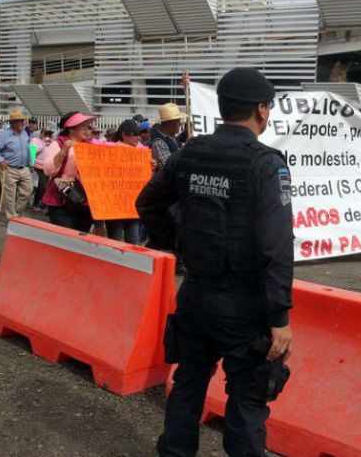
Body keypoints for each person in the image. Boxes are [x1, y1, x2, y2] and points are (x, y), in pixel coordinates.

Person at [136, 67, 294, 457]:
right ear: (261, 109)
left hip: (195, 295)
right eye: (268, 107)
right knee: (247, 400)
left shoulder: (190, 153)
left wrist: (173, 246)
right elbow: (276, 246)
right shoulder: (266, 163)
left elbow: (148, 202)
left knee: (188, 384)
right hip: (244, 307)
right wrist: (280, 319)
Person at [41, 111, 97, 232]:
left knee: (82, 236)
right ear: (71, 129)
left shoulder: (92, 146)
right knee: (66, 237)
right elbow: (49, 171)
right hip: (62, 201)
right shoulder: (58, 144)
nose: (88, 130)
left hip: (84, 202)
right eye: (84, 127)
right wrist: (64, 150)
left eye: (89, 127)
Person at [104, 119, 150, 244]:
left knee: (133, 242)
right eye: (134, 134)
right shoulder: (109, 149)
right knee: (115, 241)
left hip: (132, 205)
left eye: (138, 134)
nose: (138, 137)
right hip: (115, 206)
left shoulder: (141, 152)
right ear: (124, 135)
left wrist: (149, 166)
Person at [0, 110, 34, 220]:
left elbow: (28, 149)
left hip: (24, 168)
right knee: (10, 196)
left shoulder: (24, 133)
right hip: (9, 168)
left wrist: (30, 163)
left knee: (28, 191)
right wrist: (1, 160)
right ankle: (12, 217)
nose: (22, 123)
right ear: (13, 123)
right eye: (19, 121)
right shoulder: (4, 134)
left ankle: (16, 212)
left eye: (23, 121)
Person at [150, 103, 185, 171]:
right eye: (178, 121)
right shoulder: (159, 143)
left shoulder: (172, 138)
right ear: (169, 123)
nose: (180, 124)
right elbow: (169, 167)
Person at [29, 122, 56, 212]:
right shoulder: (35, 141)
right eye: (46, 133)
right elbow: (32, 153)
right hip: (36, 168)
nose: (47, 135)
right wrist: (31, 165)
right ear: (41, 133)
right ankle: (45, 206)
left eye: (50, 134)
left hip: (46, 168)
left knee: (41, 187)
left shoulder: (51, 142)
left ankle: (36, 204)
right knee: (41, 187)